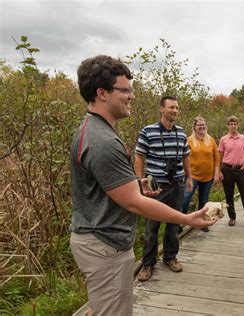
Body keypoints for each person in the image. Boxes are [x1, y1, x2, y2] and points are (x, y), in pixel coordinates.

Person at [69, 55, 215, 315]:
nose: (132, 96)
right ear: (102, 93)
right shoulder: (103, 140)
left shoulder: (90, 128)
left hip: (97, 239)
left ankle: (170, 257)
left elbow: (110, 187)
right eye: (125, 90)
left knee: (100, 307)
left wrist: (133, 184)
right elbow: (133, 202)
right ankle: (149, 263)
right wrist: (187, 218)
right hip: (105, 246)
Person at [135, 96, 194, 281]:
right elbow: (139, 156)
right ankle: (147, 263)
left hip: (177, 184)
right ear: (162, 109)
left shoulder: (181, 133)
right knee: (152, 226)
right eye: (171, 107)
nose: (175, 111)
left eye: (177, 108)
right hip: (156, 187)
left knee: (174, 223)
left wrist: (189, 177)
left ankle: (170, 257)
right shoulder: (148, 131)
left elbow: (186, 156)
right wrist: (139, 180)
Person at [218, 116, 244, 228]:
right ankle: (232, 218)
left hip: (241, 169)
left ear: (237, 125)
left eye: (235, 124)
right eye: (231, 124)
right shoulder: (223, 139)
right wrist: (219, 171)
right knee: (229, 195)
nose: (233, 126)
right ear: (228, 126)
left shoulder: (243, 138)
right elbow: (219, 156)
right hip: (227, 169)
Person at [181, 117, 220, 232]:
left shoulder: (210, 140)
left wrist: (216, 173)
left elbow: (216, 157)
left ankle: (202, 223)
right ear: (194, 127)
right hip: (193, 176)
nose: (202, 127)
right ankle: (180, 223)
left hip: (208, 177)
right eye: (199, 125)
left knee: (204, 200)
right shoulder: (189, 140)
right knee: (185, 199)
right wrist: (186, 174)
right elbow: (183, 157)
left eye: (204, 125)